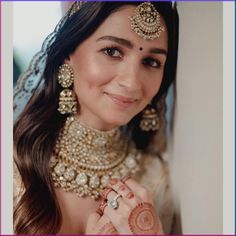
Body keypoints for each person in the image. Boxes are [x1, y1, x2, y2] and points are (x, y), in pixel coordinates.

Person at [13, 1, 179, 234]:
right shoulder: (13, 164)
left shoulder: (157, 181)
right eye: (112, 51)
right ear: (67, 55)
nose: (131, 82)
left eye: (151, 62)